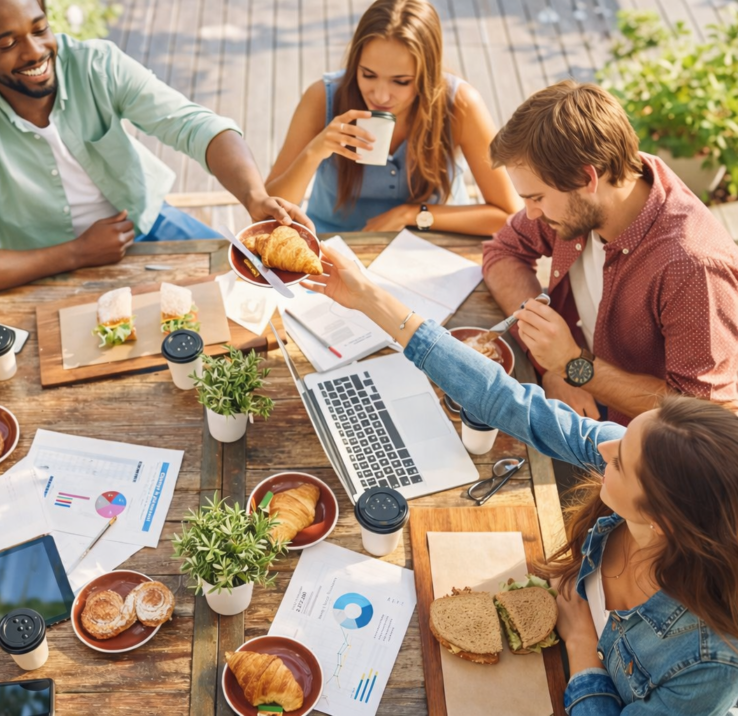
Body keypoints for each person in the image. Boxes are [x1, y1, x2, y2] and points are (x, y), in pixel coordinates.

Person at [304, 247, 738, 715]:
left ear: (661, 521)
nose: (605, 447)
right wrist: (369, 297)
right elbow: (506, 400)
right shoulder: (651, 472)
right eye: (626, 434)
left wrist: (580, 645)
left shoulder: (710, 664)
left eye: (621, 461)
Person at [0, 0, 312, 297]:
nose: (34, 52)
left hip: (150, 222)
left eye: (40, 30)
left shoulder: (97, 65)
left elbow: (195, 125)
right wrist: (76, 253)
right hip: (42, 264)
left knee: (247, 291)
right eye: (8, 44)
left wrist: (253, 195)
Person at [483, 80, 738, 426]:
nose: (529, 214)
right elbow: (503, 252)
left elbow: (704, 417)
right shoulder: (586, 198)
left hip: (637, 446)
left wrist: (575, 366)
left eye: (536, 197)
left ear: (588, 178)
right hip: (577, 392)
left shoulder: (693, 266)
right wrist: (554, 367)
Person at [265, 0, 519, 236]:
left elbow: (509, 215)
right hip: (335, 242)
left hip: (431, 244)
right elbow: (267, 213)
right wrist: (315, 151)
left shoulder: (460, 105)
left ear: (427, 75)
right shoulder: (324, 97)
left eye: (401, 81)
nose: (380, 95)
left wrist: (411, 214)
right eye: (368, 75)